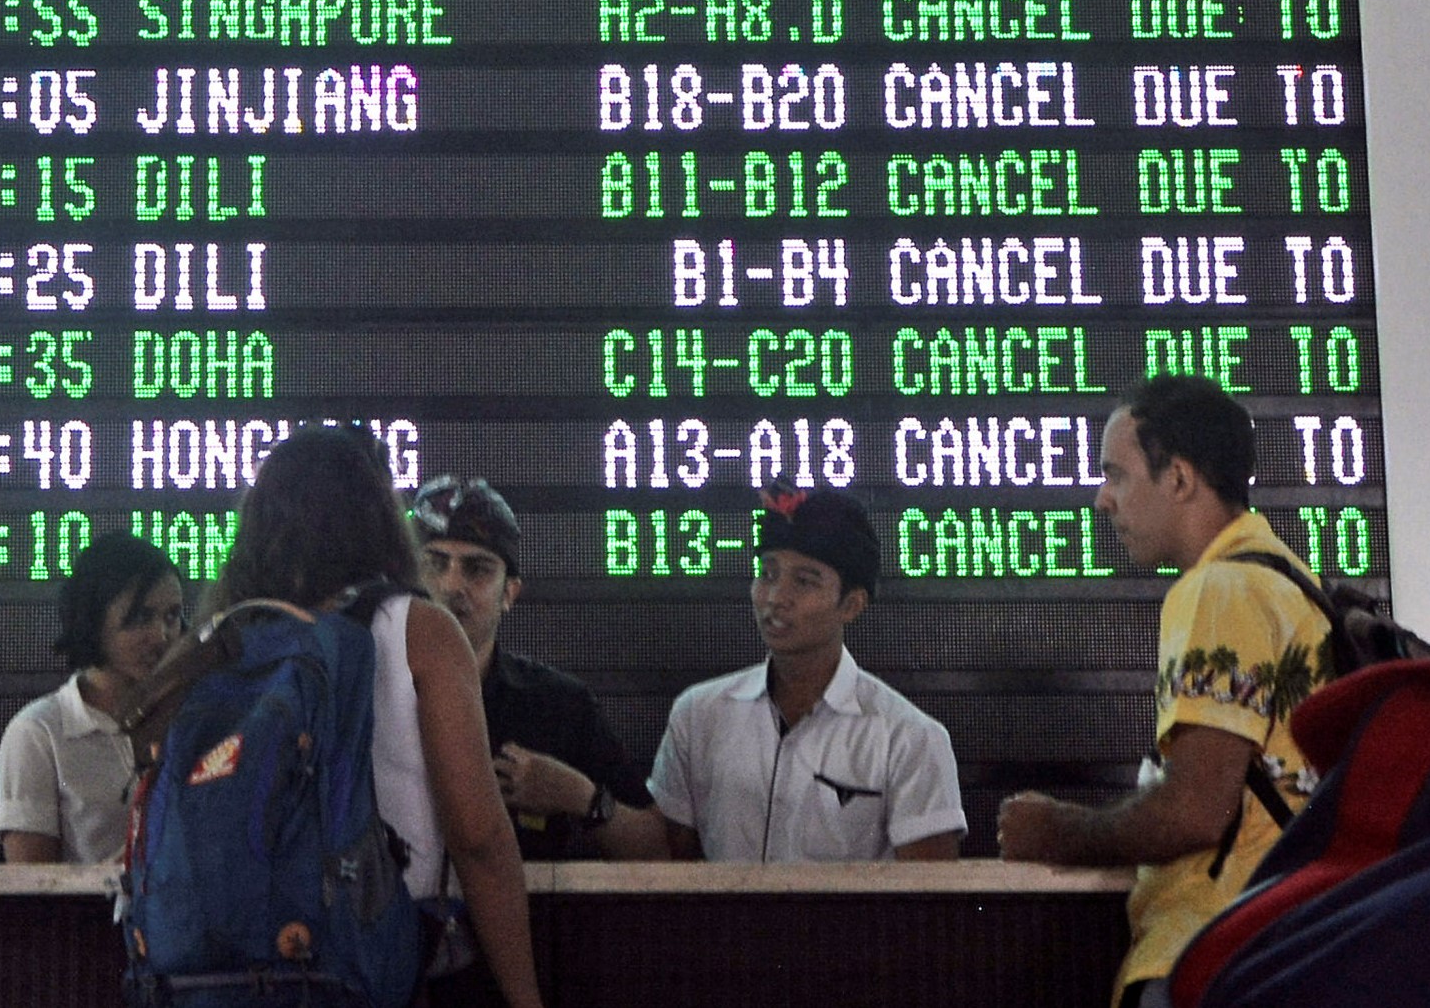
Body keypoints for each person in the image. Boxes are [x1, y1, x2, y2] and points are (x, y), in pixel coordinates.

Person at [998, 376, 1331, 1008]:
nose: (1102, 500)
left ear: (1178, 479)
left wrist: (1057, 831)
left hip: (1216, 955)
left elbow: (1195, 810)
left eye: (1116, 475)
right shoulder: (1290, 581)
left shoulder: (1218, 590)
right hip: (1285, 946)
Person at [212, 426, 545, 1008]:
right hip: (382, 962)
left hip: (239, 966)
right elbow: (478, 836)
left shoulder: (221, 638)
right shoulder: (418, 629)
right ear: (379, 516)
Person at [637, 484, 966, 863]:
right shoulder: (698, 714)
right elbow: (667, 866)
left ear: (852, 605)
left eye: (804, 581)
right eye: (768, 573)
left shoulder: (909, 738)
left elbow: (932, 899)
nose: (776, 597)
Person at [408, 475, 655, 860]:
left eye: (477, 569)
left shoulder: (557, 707)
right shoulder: (366, 692)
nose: (452, 585)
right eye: (435, 564)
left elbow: (658, 848)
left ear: (509, 593)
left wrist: (581, 797)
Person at [0, 532, 185, 864]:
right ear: (94, 619)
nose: (161, 636)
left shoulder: (191, 719)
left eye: (172, 617)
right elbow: (30, 886)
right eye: (140, 618)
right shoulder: (39, 732)